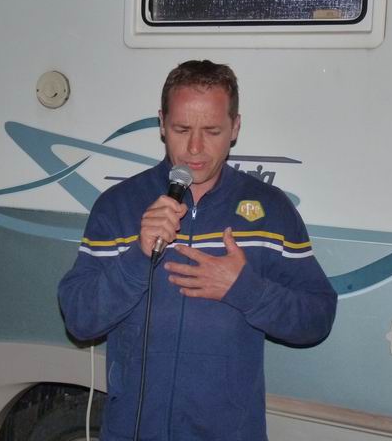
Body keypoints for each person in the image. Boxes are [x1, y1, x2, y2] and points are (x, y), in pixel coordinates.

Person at [58, 60, 337, 440]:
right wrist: (138, 256)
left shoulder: (272, 210)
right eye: (181, 129)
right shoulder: (118, 206)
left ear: (235, 127)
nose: (194, 148)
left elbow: (317, 319)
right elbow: (79, 320)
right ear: (161, 123)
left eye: (212, 131)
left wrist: (245, 289)